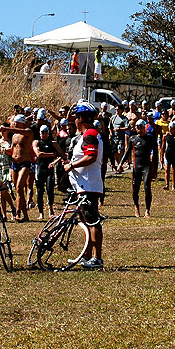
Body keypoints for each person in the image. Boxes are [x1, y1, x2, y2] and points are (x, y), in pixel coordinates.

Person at [62, 102, 105, 269]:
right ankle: (86, 256)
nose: (74, 121)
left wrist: (72, 166)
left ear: (80, 119)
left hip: (89, 185)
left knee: (92, 220)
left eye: (76, 118)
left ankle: (96, 258)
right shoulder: (86, 135)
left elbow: (91, 157)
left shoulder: (90, 135)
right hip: (83, 184)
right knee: (85, 220)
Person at [0, 114, 34, 222]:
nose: (14, 124)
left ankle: (17, 212)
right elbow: (13, 149)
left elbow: (24, 132)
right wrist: (4, 150)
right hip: (14, 163)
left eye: (16, 123)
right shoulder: (14, 136)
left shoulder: (28, 132)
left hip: (25, 163)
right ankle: (25, 215)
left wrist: (6, 128)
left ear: (21, 123)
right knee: (18, 190)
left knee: (19, 187)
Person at [118, 119, 157, 217]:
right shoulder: (133, 139)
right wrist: (120, 164)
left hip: (146, 166)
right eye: (137, 128)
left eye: (141, 128)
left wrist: (155, 170)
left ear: (144, 128)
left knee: (147, 187)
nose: (139, 130)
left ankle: (147, 210)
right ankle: (136, 207)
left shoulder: (150, 139)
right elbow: (127, 153)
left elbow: (155, 155)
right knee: (135, 189)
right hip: (136, 167)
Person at [33, 124, 65, 218]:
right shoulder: (36, 142)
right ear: (39, 133)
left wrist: (55, 162)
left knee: (50, 189)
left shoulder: (53, 143)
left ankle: (50, 209)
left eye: (46, 132)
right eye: (42, 133)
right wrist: (52, 155)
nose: (44, 134)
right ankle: (41, 213)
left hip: (50, 169)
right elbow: (39, 154)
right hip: (40, 168)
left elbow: (62, 154)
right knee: (39, 190)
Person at [161, 122, 175, 191]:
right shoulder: (165, 136)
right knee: (167, 170)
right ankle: (167, 185)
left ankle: (173, 186)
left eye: (173, 129)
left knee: (174, 171)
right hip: (167, 154)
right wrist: (161, 156)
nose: (171, 130)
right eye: (170, 128)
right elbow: (163, 147)